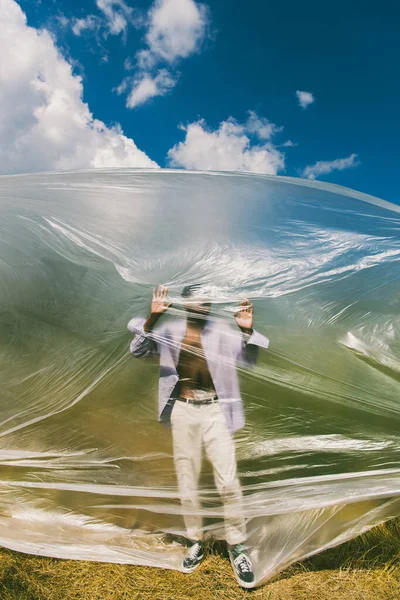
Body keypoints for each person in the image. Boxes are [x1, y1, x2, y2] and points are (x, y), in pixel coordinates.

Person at [127, 284, 269, 588]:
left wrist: (247, 330)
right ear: (186, 303)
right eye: (196, 298)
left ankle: (237, 546)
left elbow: (250, 359)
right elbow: (138, 350)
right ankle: (195, 540)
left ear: (211, 303)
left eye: (207, 299)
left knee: (228, 480)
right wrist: (151, 319)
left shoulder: (223, 332)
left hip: (217, 411)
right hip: (183, 409)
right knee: (187, 479)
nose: (201, 303)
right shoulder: (170, 329)